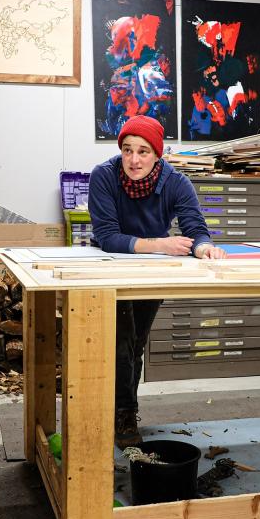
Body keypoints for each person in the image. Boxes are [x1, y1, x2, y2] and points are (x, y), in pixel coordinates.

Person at [88, 115, 226, 448]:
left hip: (151, 271)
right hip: (113, 265)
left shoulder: (176, 183)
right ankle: (124, 414)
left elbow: (196, 228)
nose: (133, 160)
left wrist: (204, 247)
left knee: (135, 344)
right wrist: (159, 244)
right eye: (127, 150)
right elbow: (107, 236)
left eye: (143, 152)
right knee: (121, 343)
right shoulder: (104, 177)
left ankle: (121, 409)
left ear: (157, 154)